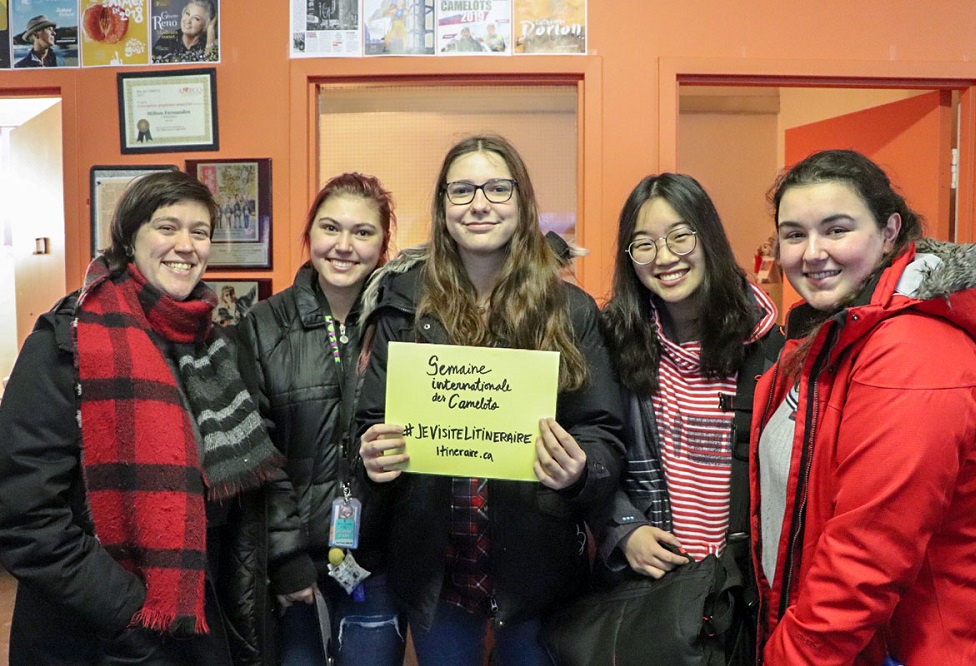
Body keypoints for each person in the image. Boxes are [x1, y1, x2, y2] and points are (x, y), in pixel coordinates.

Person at [355, 135, 625, 665]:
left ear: (522, 203)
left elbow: (603, 434)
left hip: (535, 571)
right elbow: (369, 421)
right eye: (462, 191)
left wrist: (580, 467)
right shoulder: (403, 305)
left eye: (497, 188)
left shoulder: (570, 310)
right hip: (437, 565)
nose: (479, 203)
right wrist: (372, 453)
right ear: (442, 208)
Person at [0, 171, 285, 665]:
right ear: (130, 238)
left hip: (196, 626)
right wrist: (133, 614)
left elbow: (238, 509)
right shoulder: (65, 343)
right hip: (94, 636)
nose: (186, 245)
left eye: (200, 232)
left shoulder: (217, 348)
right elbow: (26, 519)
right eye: (167, 227)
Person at [752, 149, 976, 664]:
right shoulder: (830, 334)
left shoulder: (913, 354)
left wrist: (791, 656)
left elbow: (867, 558)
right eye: (794, 234)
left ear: (890, 231)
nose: (812, 252)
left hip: (905, 650)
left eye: (837, 229)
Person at [595, 173, 781, 663]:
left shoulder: (771, 352)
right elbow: (594, 449)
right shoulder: (614, 347)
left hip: (743, 595)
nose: (664, 257)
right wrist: (624, 528)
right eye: (644, 244)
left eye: (680, 236)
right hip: (654, 595)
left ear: (709, 238)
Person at [236, 173, 406, 665]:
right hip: (295, 570)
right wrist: (287, 560)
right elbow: (255, 453)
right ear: (309, 234)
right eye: (331, 228)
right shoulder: (263, 325)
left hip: (378, 567)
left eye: (363, 232)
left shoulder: (403, 323)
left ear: (382, 243)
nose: (344, 246)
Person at [152, 0, 218, 63]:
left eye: (196, 18)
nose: (188, 21)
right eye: (187, 13)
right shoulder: (167, 39)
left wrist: (210, 29)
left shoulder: (212, 40)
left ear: (205, 26)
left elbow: (211, 64)